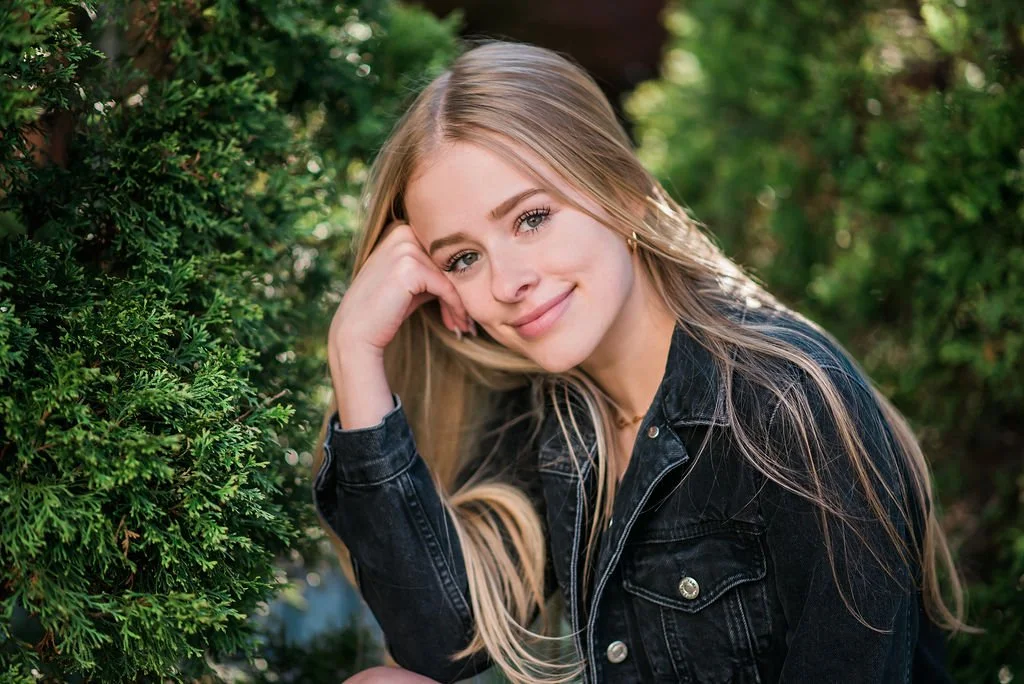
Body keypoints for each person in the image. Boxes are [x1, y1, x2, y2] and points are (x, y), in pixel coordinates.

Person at [312, 40, 970, 684]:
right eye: (463, 258)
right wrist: (356, 349)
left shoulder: (786, 408)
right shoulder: (556, 411)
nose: (507, 281)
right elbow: (441, 645)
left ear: (623, 193)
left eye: (532, 217)